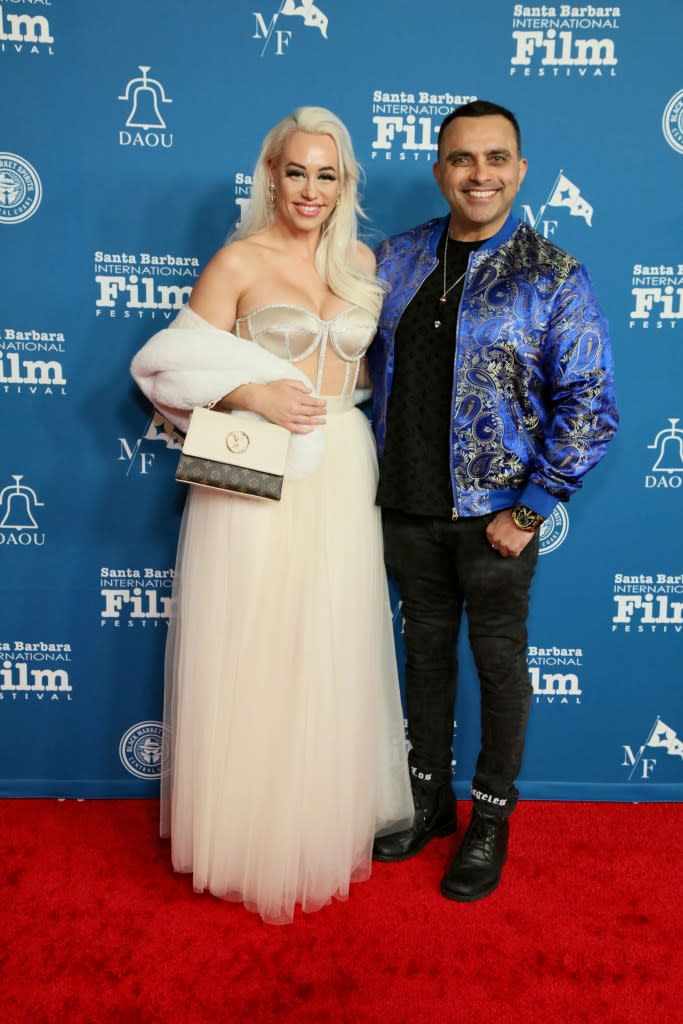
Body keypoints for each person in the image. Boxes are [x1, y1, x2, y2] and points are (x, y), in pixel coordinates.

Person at [131, 106, 412, 925]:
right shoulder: (237, 261)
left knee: (329, 638)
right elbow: (160, 366)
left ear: (344, 183)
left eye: (327, 174)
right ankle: (247, 831)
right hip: (253, 465)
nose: (310, 189)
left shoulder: (365, 264)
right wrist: (249, 391)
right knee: (253, 638)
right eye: (297, 172)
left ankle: (318, 818)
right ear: (270, 175)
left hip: (343, 463)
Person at [368, 100, 618, 902]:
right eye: (461, 159)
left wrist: (529, 508)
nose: (479, 174)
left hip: (494, 519)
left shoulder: (553, 273)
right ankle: (428, 797)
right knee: (424, 660)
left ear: (518, 169)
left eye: (495, 158)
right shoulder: (394, 259)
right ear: (439, 168)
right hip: (404, 506)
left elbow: (590, 402)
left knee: (499, 666)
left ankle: (490, 819)